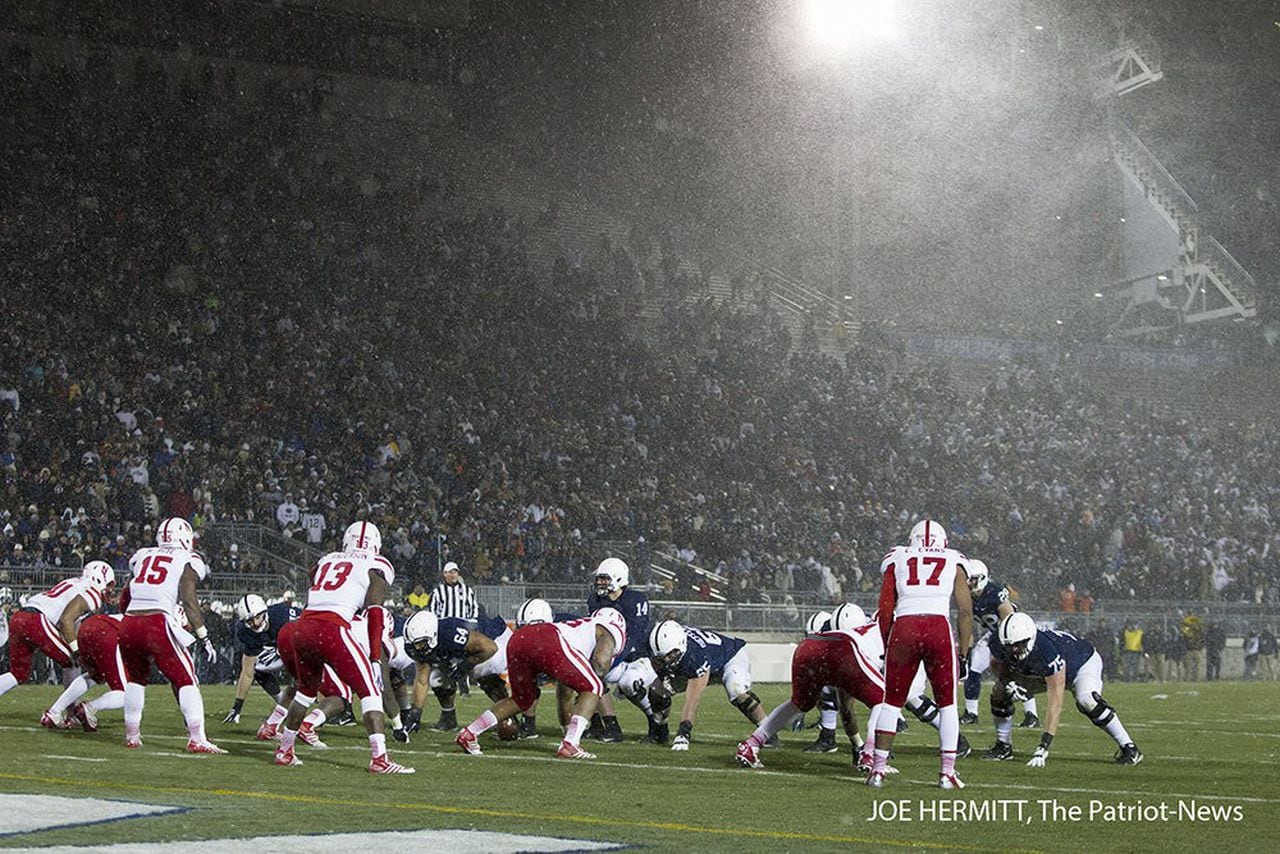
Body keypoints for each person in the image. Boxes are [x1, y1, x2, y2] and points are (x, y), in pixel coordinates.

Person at [272, 520, 413, 773]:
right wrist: (373, 655)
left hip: (301, 627)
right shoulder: (376, 565)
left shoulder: (328, 560)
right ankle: (380, 759)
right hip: (331, 627)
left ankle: (284, 750)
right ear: (376, 545)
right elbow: (375, 613)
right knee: (370, 691)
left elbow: (314, 574)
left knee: (305, 691)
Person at [867, 519, 972, 789]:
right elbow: (965, 610)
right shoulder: (954, 559)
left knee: (891, 701)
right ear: (943, 541)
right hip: (938, 626)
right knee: (947, 704)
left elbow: (886, 607)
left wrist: (887, 640)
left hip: (906, 625)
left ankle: (877, 770)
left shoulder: (898, 556)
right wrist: (964, 651)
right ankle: (947, 773)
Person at [455, 599, 625, 760]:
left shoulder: (581, 624)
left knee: (521, 699)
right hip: (548, 637)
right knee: (594, 686)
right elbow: (601, 662)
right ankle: (571, 744)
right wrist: (590, 687)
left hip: (518, 638)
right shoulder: (608, 629)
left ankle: (470, 733)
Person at [735, 603, 887, 771]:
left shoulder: (872, 627)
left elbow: (846, 707)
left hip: (809, 645)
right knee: (884, 701)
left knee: (798, 704)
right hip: (845, 649)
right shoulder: (884, 632)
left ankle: (752, 744)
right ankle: (870, 754)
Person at [117, 518, 224, 753]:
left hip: (129, 621)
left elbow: (126, 594)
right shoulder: (188, 558)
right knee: (186, 679)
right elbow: (188, 598)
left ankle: (132, 735)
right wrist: (203, 635)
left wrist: (126, 618)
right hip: (156, 621)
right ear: (185, 537)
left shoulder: (143, 555)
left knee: (136, 679)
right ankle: (197, 738)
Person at [982, 613, 1142, 766]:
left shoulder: (1047, 651)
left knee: (1087, 701)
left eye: (1018, 645)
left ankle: (1129, 748)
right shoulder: (1000, 640)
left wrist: (1043, 746)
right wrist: (1009, 682)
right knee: (1000, 691)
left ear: (1030, 639)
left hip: (1081, 665)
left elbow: (1055, 703)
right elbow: (998, 664)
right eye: (1009, 646)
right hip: (1042, 671)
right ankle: (1003, 746)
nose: (1014, 650)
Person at [3, 561, 114, 715]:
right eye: (109, 584)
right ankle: (66, 712)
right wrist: (76, 651)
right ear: (99, 578)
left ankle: (66, 711)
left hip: (19, 617)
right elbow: (66, 621)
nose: (110, 589)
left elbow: (68, 625)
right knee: (72, 662)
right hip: (36, 620)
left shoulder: (74, 582)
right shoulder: (92, 592)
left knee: (18, 673)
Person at [648, 619, 765, 751]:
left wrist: (683, 733)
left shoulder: (694, 655)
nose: (666, 660)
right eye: (662, 657)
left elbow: (692, 700)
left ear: (680, 645)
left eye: (669, 655)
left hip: (730, 657)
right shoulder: (668, 646)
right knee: (656, 691)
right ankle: (660, 732)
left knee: (736, 691)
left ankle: (767, 731)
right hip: (703, 662)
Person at [401, 607, 513, 732]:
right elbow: (422, 680)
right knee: (436, 678)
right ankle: (449, 718)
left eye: (420, 644)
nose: (416, 648)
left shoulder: (449, 632)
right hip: (467, 650)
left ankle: (508, 715)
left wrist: (465, 666)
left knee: (479, 670)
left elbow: (489, 648)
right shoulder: (420, 642)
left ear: (432, 635)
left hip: (497, 639)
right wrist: (416, 712)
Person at [960, 559, 1039, 728]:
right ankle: (971, 713)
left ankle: (1031, 714)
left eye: (971, 579)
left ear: (981, 578)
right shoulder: (966, 596)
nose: (968, 583)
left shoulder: (994, 592)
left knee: (1019, 673)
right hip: (993, 634)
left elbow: (1008, 618)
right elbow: (967, 623)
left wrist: (1008, 647)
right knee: (974, 669)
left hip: (1011, 634)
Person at [585, 557, 653, 743]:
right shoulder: (595, 600)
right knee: (585, 674)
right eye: (598, 578)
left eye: (604, 578)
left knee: (625, 682)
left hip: (637, 656)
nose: (599, 583)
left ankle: (655, 723)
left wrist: (610, 660)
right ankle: (605, 725)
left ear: (618, 578)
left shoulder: (635, 600)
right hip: (613, 655)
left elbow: (634, 636)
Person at [222, 593, 301, 736]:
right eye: (250, 621)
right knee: (257, 667)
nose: (255, 624)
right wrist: (237, 708)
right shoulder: (246, 632)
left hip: (298, 644)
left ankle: (323, 707)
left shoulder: (282, 615)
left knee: (306, 676)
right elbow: (247, 672)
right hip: (279, 649)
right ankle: (282, 703)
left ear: (264, 612)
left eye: (257, 618)